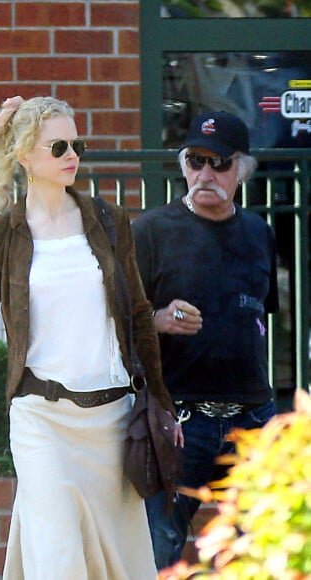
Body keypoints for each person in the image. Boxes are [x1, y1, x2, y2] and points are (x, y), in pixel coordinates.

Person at [0, 95, 181, 579]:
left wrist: (163, 404)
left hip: (111, 421)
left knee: (120, 568)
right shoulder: (1, 235)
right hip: (40, 420)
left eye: (77, 144)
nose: (72, 156)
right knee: (59, 562)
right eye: (58, 146)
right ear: (25, 155)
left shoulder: (108, 222)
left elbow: (137, 313)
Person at [132, 111, 279, 570]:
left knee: (258, 553)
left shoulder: (259, 232)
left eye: (218, 163)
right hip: (178, 420)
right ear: (183, 165)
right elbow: (115, 320)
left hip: (251, 417)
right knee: (159, 553)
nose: (205, 174)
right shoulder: (150, 231)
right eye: (196, 160)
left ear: (242, 169)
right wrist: (155, 319)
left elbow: (261, 313)